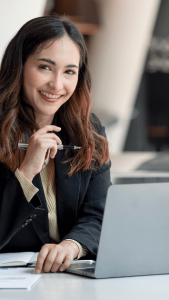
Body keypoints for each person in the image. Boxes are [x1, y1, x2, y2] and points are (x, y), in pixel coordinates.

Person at [0, 16, 111, 274]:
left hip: (70, 279)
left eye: (69, 72)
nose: (57, 85)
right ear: (20, 66)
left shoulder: (88, 131)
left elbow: (99, 213)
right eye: (45, 68)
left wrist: (72, 245)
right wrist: (26, 171)